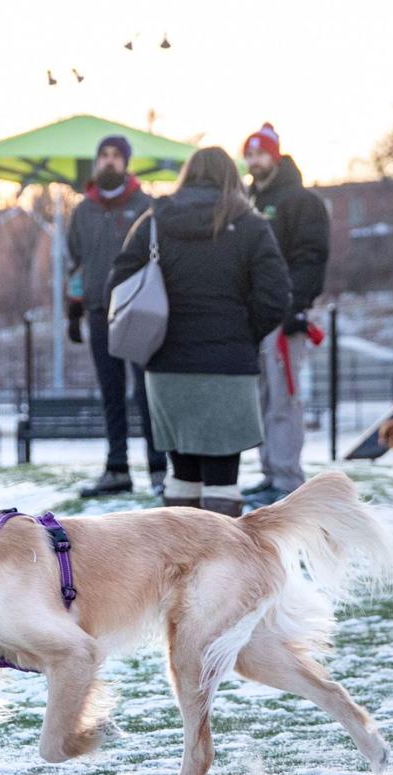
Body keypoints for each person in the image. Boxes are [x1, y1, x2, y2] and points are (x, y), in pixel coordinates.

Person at [107, 146, 290, 517]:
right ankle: (222, 564)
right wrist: (244, 334)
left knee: (182, 471)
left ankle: (179, 562)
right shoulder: (251, 225)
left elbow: (119, 280)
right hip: (229, 366)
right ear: (232, 178)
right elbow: (275, 296)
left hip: (167, 364)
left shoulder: (154, 221)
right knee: (223, 477)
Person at [66, 134, 167, 497]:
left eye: (115, 156)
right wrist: (73, 311)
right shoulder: (82, 210)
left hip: (138, 310)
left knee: (146, 391)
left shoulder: (146, 205)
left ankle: (159, 469)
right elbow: (76, 263)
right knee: (111, 393)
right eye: (103, 155)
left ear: (126, 162)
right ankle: (117, 468)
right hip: (98, 310)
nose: (109, 161)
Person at [241, 123, 331, 509]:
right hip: (253, 316)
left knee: (283, 399)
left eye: (259, 153)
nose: (253, 161)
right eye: (249, 154)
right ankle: (269, 472)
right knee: (261, 400)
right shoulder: (250, 201)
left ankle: (288, 477)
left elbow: (311, 257)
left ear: (274, 155)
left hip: (283, 317)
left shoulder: (300, 201)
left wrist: (296, 304)